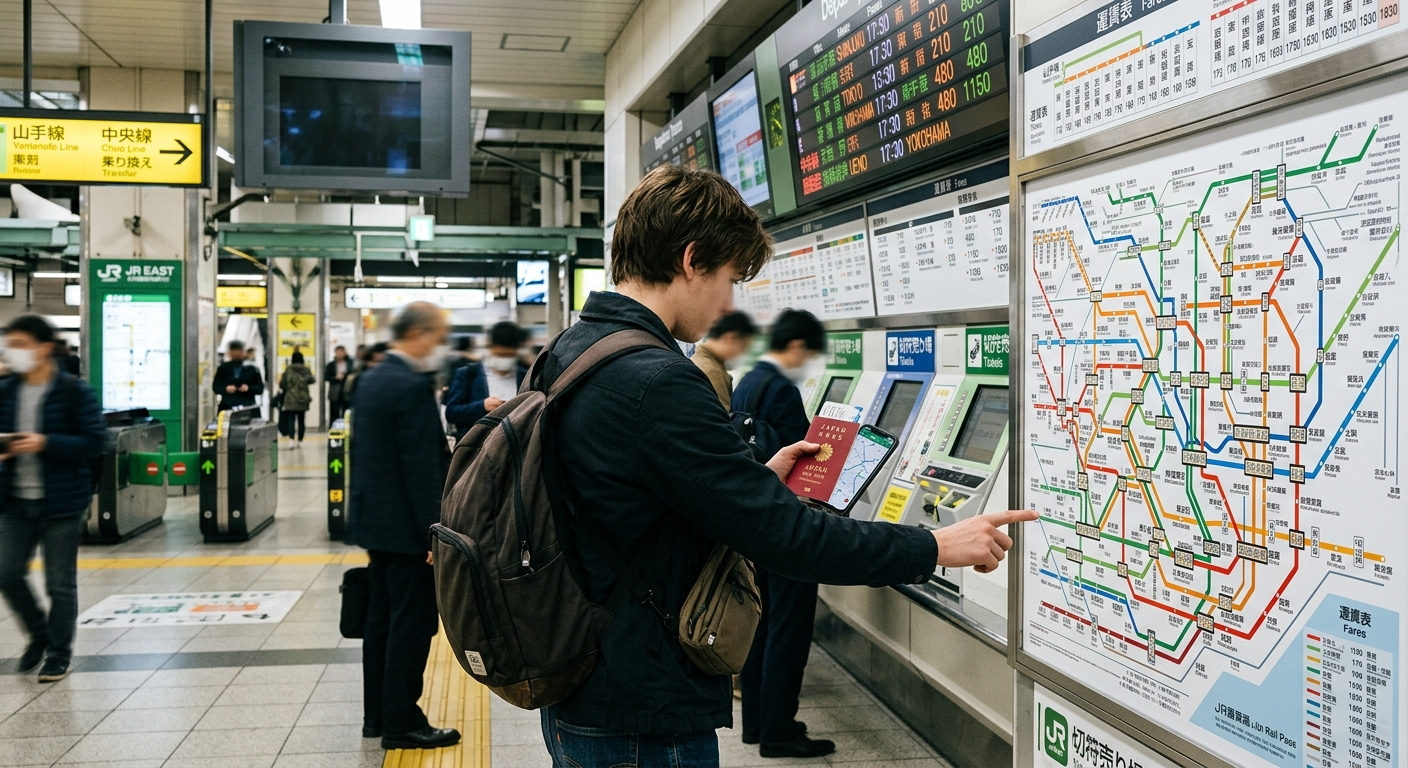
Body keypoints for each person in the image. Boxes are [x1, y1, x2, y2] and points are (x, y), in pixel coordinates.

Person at [534, 164, 1033, 767]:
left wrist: (753, 479)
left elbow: (633, 501)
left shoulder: (572, 351)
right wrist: (934, 546)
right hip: (641, 707)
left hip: (581, 681)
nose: (729, 301)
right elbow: (787, 537)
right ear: (691, 260)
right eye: (728, 277)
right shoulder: (659, 381)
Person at [347, 302, 460, 752]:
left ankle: (376, 715)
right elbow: (418, 467)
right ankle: (403, 721)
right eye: (436, 335)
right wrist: (432, 532)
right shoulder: (412, 386)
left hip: (376, 525)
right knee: (411, 626)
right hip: (407, 532)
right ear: (420, 333)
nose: (438, 345)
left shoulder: (371, 379)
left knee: (379, 623)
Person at [731, 308, 832, 756]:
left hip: (755, 522)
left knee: (762, 624)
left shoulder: (749, 380)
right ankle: (779, 730)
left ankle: (755, 723)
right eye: (809, 352)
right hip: (787, 525)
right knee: (788, 628)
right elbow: (805, 463)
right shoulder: (782, 390)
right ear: (796, 347)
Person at [0, 315, 104, 683]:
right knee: (6, 572)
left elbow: (95, 441)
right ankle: (39, 632)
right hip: (14, 500)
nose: (12, 352)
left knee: (60, 583)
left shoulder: (73, 390)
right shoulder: (6, 390)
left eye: (20, 344)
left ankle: (59, 654)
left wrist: (44, 442)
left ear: (44, 348)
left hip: (61, 501)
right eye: (9, 344)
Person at [443, 321, 529, 435]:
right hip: (477, 448)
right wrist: (482, 406)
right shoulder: (468, 374)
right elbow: (452, 413)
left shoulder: (526, 377)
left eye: (509, 355)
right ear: (490, 346)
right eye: (500, 354)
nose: (504, 359)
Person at [690, 311, 757, 408]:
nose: (743, 354)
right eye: (743, 347)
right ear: (730, 338)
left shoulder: (703, 361)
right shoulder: (711, 371)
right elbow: (722, 419)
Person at [213, 340, 264, 411]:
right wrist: (226, 389)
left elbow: (260, 389)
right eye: (233, 350)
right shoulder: (223, 368)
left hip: (248, 406)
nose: (236, 353)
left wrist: (248, 388)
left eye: (239, 350)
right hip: (227, 406)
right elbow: (216, 387)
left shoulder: (252, 368)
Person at [279, 351, 315, 448]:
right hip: (303, 398)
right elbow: (312, 380)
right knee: (301, 419)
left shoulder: (288, 370)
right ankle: (300, 441)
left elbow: (282, 384)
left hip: (290, 397)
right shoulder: (306, 369)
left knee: (291, 419)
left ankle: (291, 440)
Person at [325, 345, 352, 422]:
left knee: (346, 413)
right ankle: (334, 430)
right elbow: (326, 377)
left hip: (346, 391)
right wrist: (335, 378)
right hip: (334, 392)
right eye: (338, 352)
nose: (340, 354)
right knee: (334, 414)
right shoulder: (331, 365)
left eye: (341, 352)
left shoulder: (350, 364)